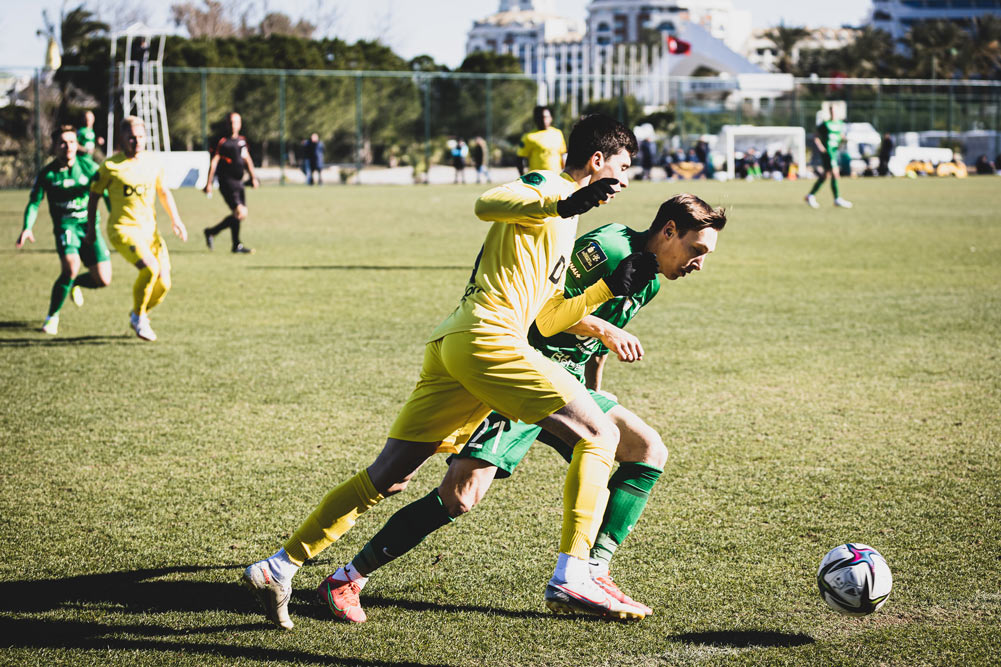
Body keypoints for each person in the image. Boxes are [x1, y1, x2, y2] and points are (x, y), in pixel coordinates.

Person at [242, 114, 650, 629]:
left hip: (460, 344)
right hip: (488, 339)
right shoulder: (549, 185)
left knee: (387, 477)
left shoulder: (568, 217)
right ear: (598, 161)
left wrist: (604, 291)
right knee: (598, 433)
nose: (626, 178)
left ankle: (280, 565)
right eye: (624, 166)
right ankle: (574, 573)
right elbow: (486, 203)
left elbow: (546, 316)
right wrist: (563, 201)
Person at [315, 194, 726, 624]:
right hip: (521, 373)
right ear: (669, 231)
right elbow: (539, 309)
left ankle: (592, 570)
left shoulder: (651, 280)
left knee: (647, 450)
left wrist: (596, 399)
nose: (699, 263)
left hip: (567, 383)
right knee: (460, 496)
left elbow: (598, 346)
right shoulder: (608, 246)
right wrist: (601, 328)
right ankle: (346, 579)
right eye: (697, 250)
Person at [86, 116, 187, 342]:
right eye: (131, 137)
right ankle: (140, 318)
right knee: (150, 268)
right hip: (123, 229)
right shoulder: (110, 166)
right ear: (122, 138)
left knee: (164, 284)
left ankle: (137, 313)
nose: (137, 141)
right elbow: (93, 197)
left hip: (150, 232)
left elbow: (163, 192)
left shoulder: (152, 163)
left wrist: (176, 220)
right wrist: (90, 227)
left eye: (141, 136)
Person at [16, 125, 112, 335]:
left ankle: (74, 284)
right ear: (54, 147)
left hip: (90, 228)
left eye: (71, 141)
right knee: (70, 267)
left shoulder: (89, 167)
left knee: (103, 280)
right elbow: (34, 203)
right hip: (66, 228)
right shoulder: (47, 174)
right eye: (62, 142)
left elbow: (105, 192)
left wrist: (115, 215)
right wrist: (27, 227)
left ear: (76, 145)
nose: (67, 146)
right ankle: (52, 317)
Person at [203, 112, 259, 254]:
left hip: (239, 181)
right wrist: (208, 183)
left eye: (236, 122)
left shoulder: (242, 140)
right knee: (239, 212)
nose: (233, 125)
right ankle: (234, 244)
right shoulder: (221, 141)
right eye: (231, 122)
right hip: (226, 181)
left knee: (240, 214)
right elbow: (214, 162)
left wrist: (253, 177)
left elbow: (247, 158)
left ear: (240, 124)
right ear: (227, 124)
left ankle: (214, 233)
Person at [805, 105, 852, 209]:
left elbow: (839, 136)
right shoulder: (825, 124)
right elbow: (815, 136)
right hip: (828, 152)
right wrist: (821, 147)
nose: (833, 113)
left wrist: (843, 140)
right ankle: (837, 198)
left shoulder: (839, 123)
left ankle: (810, 195)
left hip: (835, 151)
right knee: (835, 172)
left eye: (834, 111)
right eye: (831, 111)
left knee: (826, 174)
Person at [516, 105, 567, 175]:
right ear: (535, 119)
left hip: (556, 177)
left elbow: (563, 155)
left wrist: (565, 174)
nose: (544, 120)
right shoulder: (528, 137)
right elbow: (520, 158)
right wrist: (522, 176)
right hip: (537, 180)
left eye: (546, 117)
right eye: (540, 117)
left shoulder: (558, 133)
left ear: (551, 118)